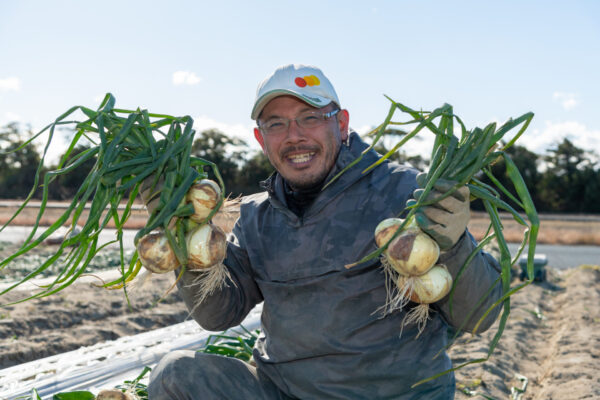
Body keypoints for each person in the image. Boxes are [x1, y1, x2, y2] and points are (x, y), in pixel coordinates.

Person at [147, 64, 503, 399]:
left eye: (311, 118)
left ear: (342, 123)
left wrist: (453, 245)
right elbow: (217, 315)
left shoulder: (408, 193)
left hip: (396, 395)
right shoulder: (257, 216)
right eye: (276, 124)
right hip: (284, 391)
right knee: (176, 374)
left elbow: (480, 316)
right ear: (260, 138)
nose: (294, 136)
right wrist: (181, 232)